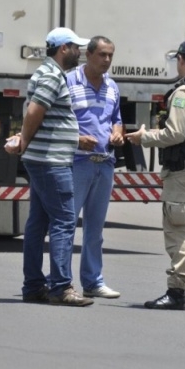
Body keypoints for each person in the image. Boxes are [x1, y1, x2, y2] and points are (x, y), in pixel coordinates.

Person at [125, 39, 185, 310]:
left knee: (179, 229)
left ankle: (177, 291)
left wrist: (143, 137)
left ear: (181, 59)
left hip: (181, 171)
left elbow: (175, 134)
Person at [5, 27, 93, 307]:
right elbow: (35, 111)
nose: (80, 53)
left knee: (38, 223)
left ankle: (33, 286)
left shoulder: (48, 74)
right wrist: (24, 142)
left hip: (45, 158)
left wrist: (73, 138)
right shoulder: (52, 75)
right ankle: (61, 287)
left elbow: (46, 116)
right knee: (64, 221)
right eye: (76, 47)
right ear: (63, 48)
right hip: (51, 162)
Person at [65, 36, 124, 299]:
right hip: (77, 163)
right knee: (66, 224)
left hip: (105, 163)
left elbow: (116, 119)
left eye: (110, 55)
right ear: (87, 55)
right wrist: (77, 139)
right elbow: (55, 121)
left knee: (95, 229)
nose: (107, 60)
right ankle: (61, 281)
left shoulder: (112, 87)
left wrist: (117, 133)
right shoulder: (68, 82)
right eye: (102, 55)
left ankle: (93, 281)